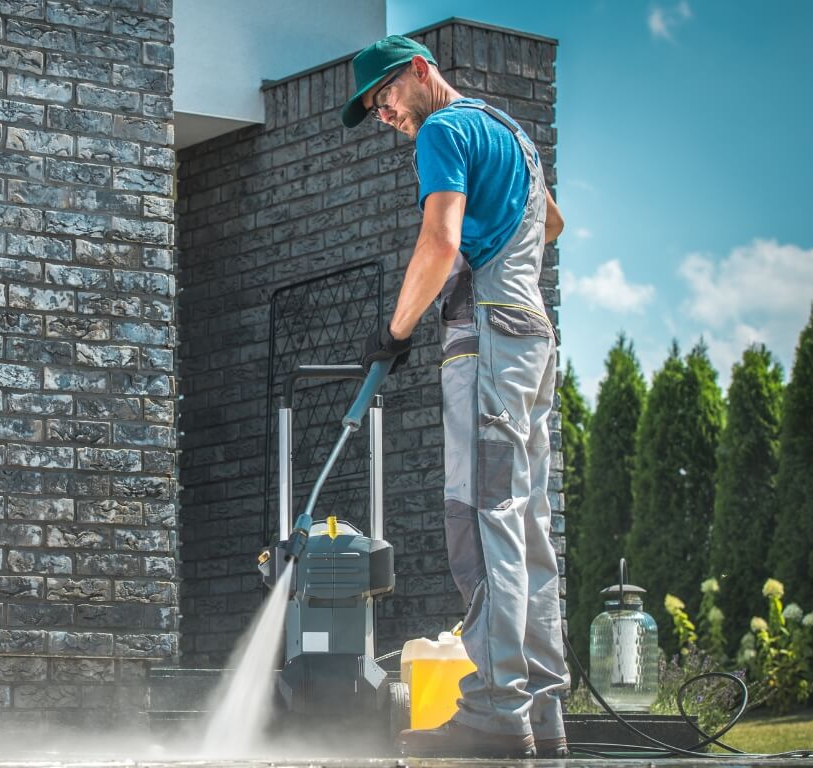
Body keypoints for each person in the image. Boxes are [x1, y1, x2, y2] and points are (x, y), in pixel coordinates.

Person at [342, 36, 570, 758]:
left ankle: (497, 709)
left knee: (482, 516)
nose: (385, 114)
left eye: (385, 95)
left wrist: (395, 330)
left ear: (419, 69)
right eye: (375, 109)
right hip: (532, 334)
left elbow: (438, 244)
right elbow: (552, 225)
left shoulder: (442, 129)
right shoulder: (512, 134)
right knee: (526, 521)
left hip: (491, 342)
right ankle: (542, 708)